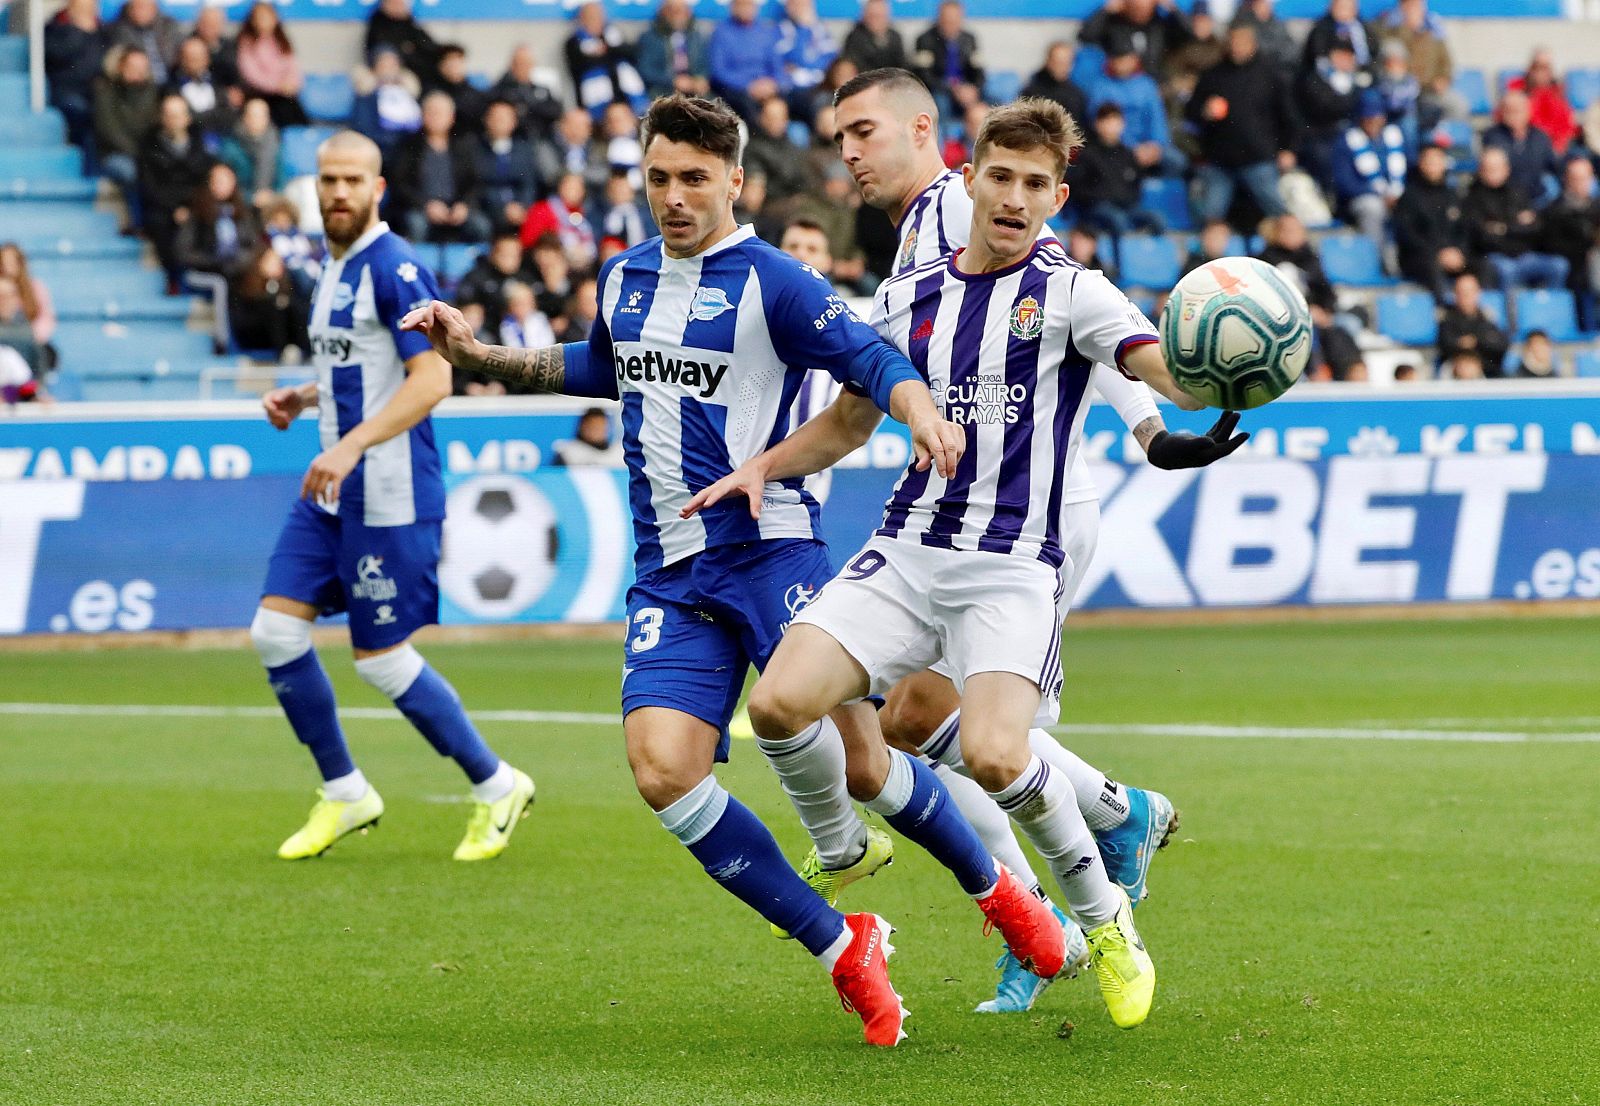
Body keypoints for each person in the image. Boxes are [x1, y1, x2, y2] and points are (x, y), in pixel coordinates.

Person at [402, 93, 1020, 1048]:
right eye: (658, 178)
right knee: (662, 773)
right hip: (671, 573)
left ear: (736, 181)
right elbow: (596, 364)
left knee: (865, 762)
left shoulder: (777, 281)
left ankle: (1008, 901)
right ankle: (842, 945)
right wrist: (476, 352)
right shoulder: (624, 278)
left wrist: (920, 412)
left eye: (694, 178)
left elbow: (869, 356)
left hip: (773, 548)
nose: (674, 197)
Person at [707, 97, 1219, 1031]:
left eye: (1036, 185)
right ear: (970, 178)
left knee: (991, 751)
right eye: (1002, 178)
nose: (1016, 197)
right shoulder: (908, 296)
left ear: (1056, 196)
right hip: (907, 550)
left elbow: (1150, 362)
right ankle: (846, 847)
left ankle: (1104, 925)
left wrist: (1209, 386)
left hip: (1013, 560)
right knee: (779, 704)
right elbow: (854, 418)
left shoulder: (1075, 291)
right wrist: (763, 466)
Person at [254, 130, 535, 864]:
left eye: (353, 180)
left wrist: (350, 444)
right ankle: (346, 793)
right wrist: (309, 395)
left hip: (388, 491)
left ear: (378, 187)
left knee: (379, 659)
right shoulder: (334, 265)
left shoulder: (394, 266)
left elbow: (432, 378)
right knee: (274, 633)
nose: (338, 191)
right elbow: (366, 368)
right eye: (328, 179)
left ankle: (496, 783)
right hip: (334, 489)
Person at [1186, 24, 1295, 227]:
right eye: (1233, 43)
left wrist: (1288, 148)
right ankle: (1209, 257)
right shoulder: (1213, 75)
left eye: (1242, 43)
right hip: (1220, 160)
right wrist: (1204, 111)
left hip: (1258, 157)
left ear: (1253, 45)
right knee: (1211, 215)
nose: (1236, 48)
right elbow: (1191, 112)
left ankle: (1292, 255)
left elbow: (1288, 115)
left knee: (1278, 212)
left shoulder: (1270, 74)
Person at [1462, 147, 1568, 291]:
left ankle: (1548, 310)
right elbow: (1483, 236)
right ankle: (1510, 313)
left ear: (1506, 169)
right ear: (1480, 170)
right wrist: (1516, 226)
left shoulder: (1517, 192)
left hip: (1524, 255)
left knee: (1559, 265)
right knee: (1506, 270)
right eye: (1489, 168)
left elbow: (1535, 227)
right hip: (1495, 256)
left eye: (1497, 168)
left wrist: (1504, 228)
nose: (1493, 173)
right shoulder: (1472, 197)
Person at [390, 92, 490, 244]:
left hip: (456, 207)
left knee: (481, 226)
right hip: (421, 208)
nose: (435, 117)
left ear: (452, 117)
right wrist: (426, 205)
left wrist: (464, 205)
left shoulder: (464, 145)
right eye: (431, 112)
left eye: (440, 113)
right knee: (416, 225)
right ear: (422, 115)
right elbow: (400, 184)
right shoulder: (409, 146)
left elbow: (475, 181)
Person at [140, 93, 215, 284]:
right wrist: (174, 208)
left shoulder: (201, 148)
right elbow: (150, 187)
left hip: (195, 205)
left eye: (178, 115)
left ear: (187, 118)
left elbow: (204, 182)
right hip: (164, 208)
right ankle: (173, 279)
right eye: (168, 115)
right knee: (160, 223)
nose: (173, 120)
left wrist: (190, 207)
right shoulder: (149, 147)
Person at [1070, 102, 1165, 239]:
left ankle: (1153, 258)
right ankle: (1121, 259)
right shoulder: (1087, 155)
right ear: (1097, 124)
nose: (1112, 125)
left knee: (1157, 219)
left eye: (1115, 120)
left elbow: (1136, 184)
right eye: (1107, 120)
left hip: (1126, 207)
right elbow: (1078, 188)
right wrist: (1100, 197)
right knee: (1118, 220)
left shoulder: (1128, 154)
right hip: (1096, 208)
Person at [1393, 140, 1474, 298]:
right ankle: (1443, 310)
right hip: (1421, 257)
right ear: (1421, 164)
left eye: (1438, 161)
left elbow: (1464, 230)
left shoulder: (1452, 195)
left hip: (1453, 255)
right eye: (1429, 161)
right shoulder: (1410, 197)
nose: (1434, 166)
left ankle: (1481, 314)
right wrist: (1438, 253)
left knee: (1482, 266)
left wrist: (1459, 252)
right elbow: (1408, 235)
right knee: (1432, 267)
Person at [1331, 91, 1406, 257]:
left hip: (1395, 196)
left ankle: (1404, 262)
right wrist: (1378, 194)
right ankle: (1375, 259)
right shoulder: (1347, 140)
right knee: (1373, 208)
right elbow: (1344, 183)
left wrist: (1397, 195)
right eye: (1368, 118)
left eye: (1377, 117)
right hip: (1362, 198)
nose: (1373, 122)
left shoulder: (1393, 137)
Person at [95, 45, 160, 227]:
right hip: (116, 155)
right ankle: (139, 223)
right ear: (121, 66)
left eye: (141, 68)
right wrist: (139, 155)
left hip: (146, 153)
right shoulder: (106, 92)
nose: (137, 73)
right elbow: (109, 131)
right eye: (132, 67)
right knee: (131, 172)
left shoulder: (153, 93)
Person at [1540, 158, 1600, 329]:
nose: (1582, 184)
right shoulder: (1555, 210)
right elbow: (1551, 245)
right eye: (1577, 178)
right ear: (1566, 179)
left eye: (1586, 178)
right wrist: (1586, 249)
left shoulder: (1597, 206)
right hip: (1576, 270)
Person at [564, 1, 647, 120]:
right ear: (581, 18)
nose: (596, 20)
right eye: (590, 17)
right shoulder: (574, 42)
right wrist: (609, 52)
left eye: (598, 16)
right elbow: (580, 64)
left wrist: (605, 50)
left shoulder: (613, 35)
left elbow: (631, 53)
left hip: (624, 96)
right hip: (595, 102)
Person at [45, 0, 108, 154]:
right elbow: (56, 55)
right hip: (66, 91)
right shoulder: (54, 27)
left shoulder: (103, 31)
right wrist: (79, 31)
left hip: (96, 91)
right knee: (81, 110)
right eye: (82, 7)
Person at [1078, 0, 1191, 84]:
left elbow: (1190, 35)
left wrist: (1172, 8)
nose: (1141, 11)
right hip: (1120, 85)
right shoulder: (1114, 25)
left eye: (1145, 6)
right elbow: (1085, 35)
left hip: (1157, 86)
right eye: (1136, 7)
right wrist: (1105, 10)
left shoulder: (1160, 26)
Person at [708, 0, 786, 122]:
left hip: (766, 88)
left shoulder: (766, 31)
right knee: (747, 106)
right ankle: (758, 139)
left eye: (749, 4)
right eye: (742, 4)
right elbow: (718, 71)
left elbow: (777, 67)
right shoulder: (721, 32)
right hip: (738, 90)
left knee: (779, 105)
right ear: (733, 7)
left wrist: (772, 83)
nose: (746, 8)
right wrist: (748, 85)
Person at [234, 1, 306, 127]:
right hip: (261, 95)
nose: (265, 21)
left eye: (268, 16)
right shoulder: (247, 42)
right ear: (253, 20)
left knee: (296, 114)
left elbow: (293, 68)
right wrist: (278, 86)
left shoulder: (282, 41)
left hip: (285, 95)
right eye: (260, 17)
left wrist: (292, 84)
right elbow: (252, 74)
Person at [1483, 90, 1560, 207]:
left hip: (1536, 198)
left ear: (1528, 111)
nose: (1514, 115)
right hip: (1505, 200)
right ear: (1502, 112)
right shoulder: (1493, 137)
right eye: (1509, 111)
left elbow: (1553, 165)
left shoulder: (1540, 137)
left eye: (1518, 110)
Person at [474, 100, 541, 234]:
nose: (500, 122)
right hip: (489, 209)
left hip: (520, 209)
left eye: (504, 118)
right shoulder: (475, 149)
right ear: (487, 120)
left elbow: (529, 183)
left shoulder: (524, 150)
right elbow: (478, 185)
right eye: (496, 118)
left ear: (514, 122)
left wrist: (522, 206)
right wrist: (502, 208)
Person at [350, 48, 422, 162]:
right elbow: (363, 127)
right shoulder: (367, 95)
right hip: (378, 150)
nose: (388, 70)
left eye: (393, 65)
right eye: (383, 65)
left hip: (406, 152)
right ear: (374, 68)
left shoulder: (408, 94)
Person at [912, 0, 984, 114]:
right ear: (939, 18)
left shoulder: (970, 39)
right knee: (941, 102)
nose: (951, 24)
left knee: (990, 100)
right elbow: (924, 76)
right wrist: (953, 89)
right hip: (940, 89)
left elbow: (979, 70)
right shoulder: (925, 40)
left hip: (965, 87)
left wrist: (974, 88)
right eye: (947, 20)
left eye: (955, 20)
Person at [1438, 271, 1509, 377]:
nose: (1466, 296)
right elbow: (1446, 344)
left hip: (1487, 370)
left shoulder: (1487, 317)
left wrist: (1475, 341)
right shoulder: (1447, 317)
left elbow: (1500, 344)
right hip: (1456, 372)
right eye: (1461, 292)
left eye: (1470, 292)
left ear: (1478, 293)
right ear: (1455, 294)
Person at [489, 44, 565, 143]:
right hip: (516, 141)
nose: (523, 67)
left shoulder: (542, 89)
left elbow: (556, 111)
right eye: (519, 63)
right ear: (512, 65)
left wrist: (527, 108)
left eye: (527, 63)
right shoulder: (501, 89)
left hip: (543, 139)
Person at [518, 172, 596, 267]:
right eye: (567, 186)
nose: (571, 191)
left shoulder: (588, 214)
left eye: (576, 187)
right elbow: (527, 241)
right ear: (559, 187)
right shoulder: (543, 209)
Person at [636, 0, 710, 99]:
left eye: (683, 11)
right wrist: (673, 81)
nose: (679, 15)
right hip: (662, 89)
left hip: (693, 89)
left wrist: (701, 79)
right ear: (663, 12)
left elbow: (704, 65)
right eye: (674, 11)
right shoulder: (651, 37)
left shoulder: (695, 37)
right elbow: (646, 70)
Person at [0, 244, 58, 367]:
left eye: (11, 262)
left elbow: (46, 320)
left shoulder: (35, 288)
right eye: (3, 262)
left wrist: (28, 335)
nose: (7, 267)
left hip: (27, 342)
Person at [217, 97, 279, 208]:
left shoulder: (276, 145)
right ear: (245, 118)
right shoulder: (230, 148)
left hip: (270, 203)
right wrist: (252, 198)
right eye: (253, 116)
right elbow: (224, 185)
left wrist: (271, 196)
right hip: (239, 205)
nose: (256, 120)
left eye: (261, 116)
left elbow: (282, 178)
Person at [107, 0, 182, 86]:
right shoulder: (119, 30)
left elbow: (176, 54)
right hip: (139, 84)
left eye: (145, 7)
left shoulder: (168, 26)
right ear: (129, 10)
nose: (140, 12)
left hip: (171, 80)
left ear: (154, 9)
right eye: (137, 7)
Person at [364, 0, 439, 81]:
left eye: (401, 3)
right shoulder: (378, 22)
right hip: (400, 72)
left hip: (419, 71)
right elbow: (381, 45)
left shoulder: (410, 23)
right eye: (394, 3)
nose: (399, 5)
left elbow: (428, 45)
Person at [426, 44, 488, 137]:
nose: (454, 65)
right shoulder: (432, 94)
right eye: (449, 61)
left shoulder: (477, 96)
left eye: (458, 60)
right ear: (440, 65)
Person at [1021, 42, 1087, 125]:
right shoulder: (1031, 91)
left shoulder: (1077, 94)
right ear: (1049, 61)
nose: (1063, 67)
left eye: (1066, 62)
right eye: (1058, 62)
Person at [842, 0, 907, 75]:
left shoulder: (895, 37)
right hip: (866, 81)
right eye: (872, 16)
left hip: (893, 81)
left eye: (880, 16)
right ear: (864, 16)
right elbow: (854, 67)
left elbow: (902, 65)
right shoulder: (854, 38)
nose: (876, 20)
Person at [552, 406, 624, 467]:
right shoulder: (569, 453)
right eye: (593, 426)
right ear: (582, 427)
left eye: (601, 426)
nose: (597, 431)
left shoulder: (619, 453)